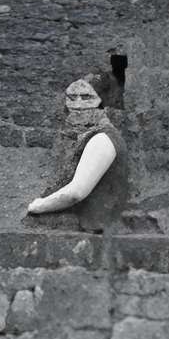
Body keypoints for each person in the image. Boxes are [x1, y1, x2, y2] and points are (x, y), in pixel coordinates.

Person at [26, 68, 128, 228]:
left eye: (87, 97)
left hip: (99, 235)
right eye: (72, 97)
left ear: (102, 103)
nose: (78, 104)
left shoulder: (103, 139)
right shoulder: (91, 136)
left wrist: (37, 206)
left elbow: (75, 193)